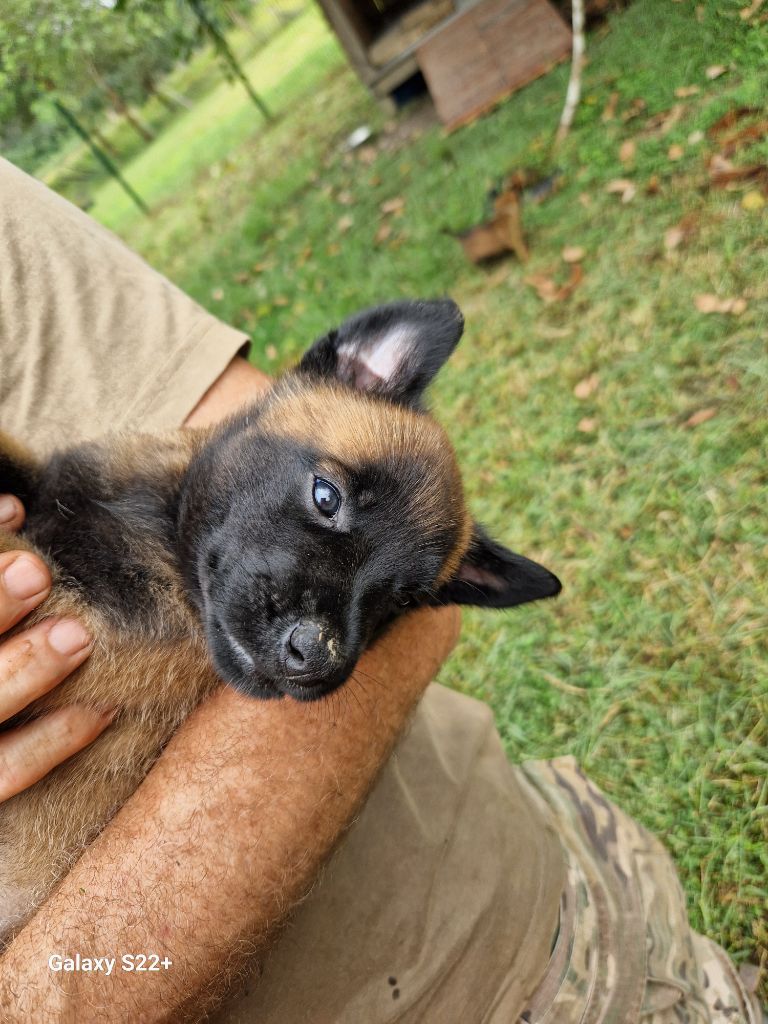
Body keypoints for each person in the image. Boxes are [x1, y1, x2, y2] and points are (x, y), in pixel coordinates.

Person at [0, 157, 761, 1023]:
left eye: (383, 601)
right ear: (350, 365)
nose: (324, 639)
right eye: (325, 499)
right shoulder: (143, 506)